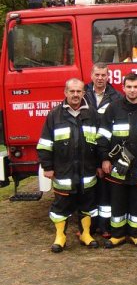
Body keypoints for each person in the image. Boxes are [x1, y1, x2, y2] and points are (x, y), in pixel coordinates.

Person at [37, 78, 100, 253]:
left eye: (79, 91)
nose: (75, 94)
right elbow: (45, 143)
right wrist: (47, 167)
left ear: (84, 93)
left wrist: (100, 163)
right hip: (64, 171)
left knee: (87, 204)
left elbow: (100, 141)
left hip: (87, 171)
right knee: (61, 206)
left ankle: (86, 234)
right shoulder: (54, 115)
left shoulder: (92, 114)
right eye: (72, 91)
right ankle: (60, 237)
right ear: (65, 92)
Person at [98, 73, 137, 248]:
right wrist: (105, 158)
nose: (132, 90)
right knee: (117, 202)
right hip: (116, 166)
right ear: (123, 88)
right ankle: (118, 235)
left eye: (136, 87)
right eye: (129, 87)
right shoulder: (113, 108)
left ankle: (136, 235)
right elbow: (103, 135)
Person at [84, 62, 122, 237]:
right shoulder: (82, 94)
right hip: (86, 150)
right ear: (91, 75)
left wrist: (105, 158)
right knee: (88, 191)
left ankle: (105, 226)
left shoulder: (116, 97)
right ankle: (89, 228)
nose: (100, 78)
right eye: (97, 75)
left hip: (106, 150)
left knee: (106, 191)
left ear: (108, 77)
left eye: (103, 75)